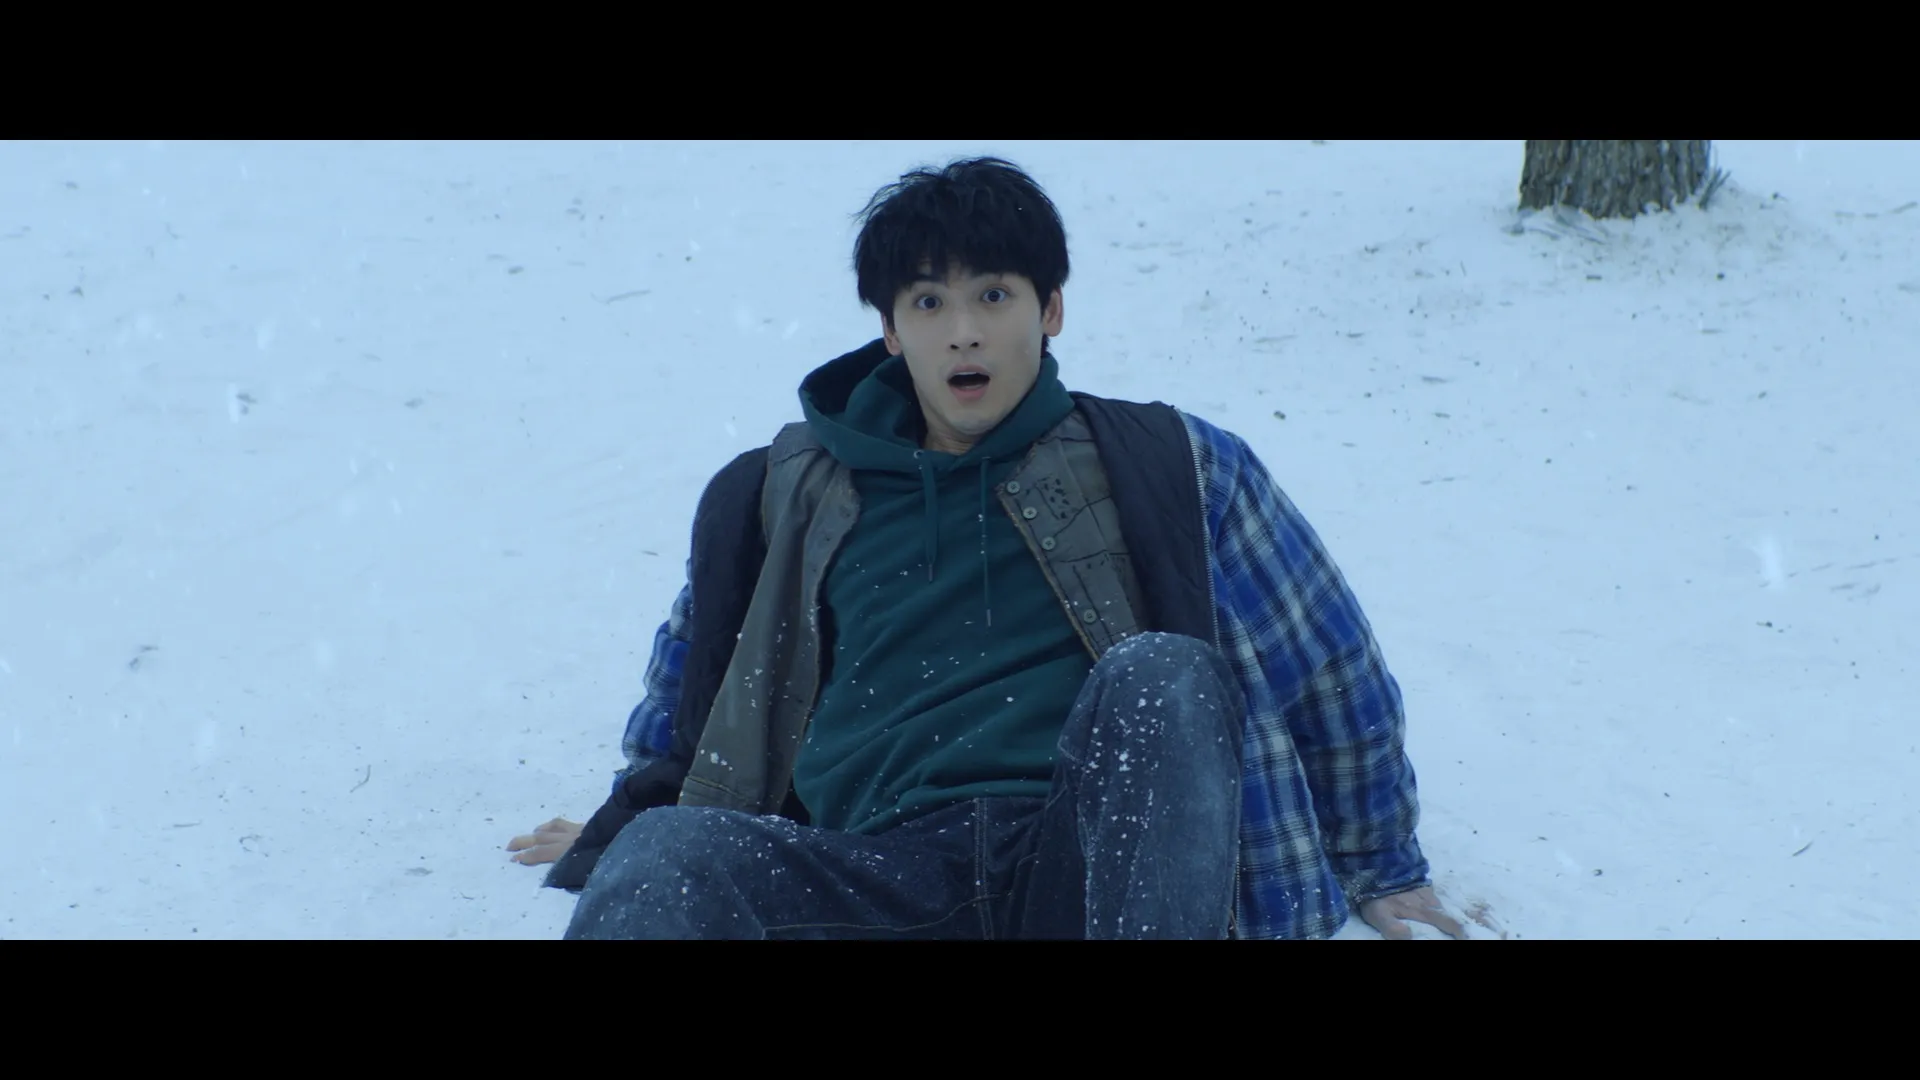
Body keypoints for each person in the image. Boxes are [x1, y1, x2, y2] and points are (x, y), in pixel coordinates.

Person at [507, 156, 1465, 941]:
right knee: (664, 855)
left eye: (994, 295)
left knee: (1164, 675)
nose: (963, 332)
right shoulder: (787, 489)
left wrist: (1383, 866)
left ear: (1050, 311)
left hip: (1093, 867)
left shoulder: (1173, 461)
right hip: (873, 873)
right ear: (890, 332)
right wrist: (628, 824)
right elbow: (701, 672)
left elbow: (1328, 667)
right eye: (927, 303)